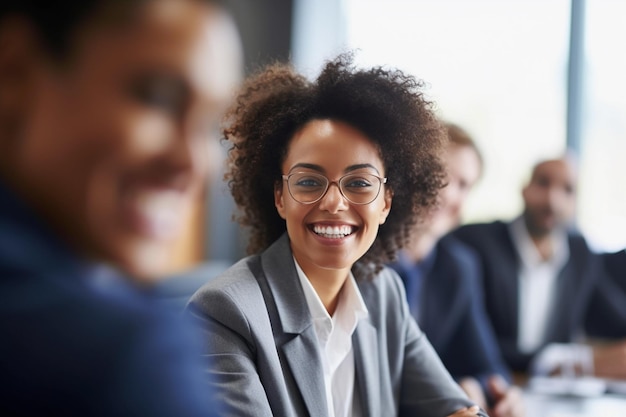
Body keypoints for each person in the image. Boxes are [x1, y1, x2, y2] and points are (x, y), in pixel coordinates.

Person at [185, 55, 488, 416]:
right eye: (309, 181)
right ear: (280, 198)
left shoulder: (383, 294)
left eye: (359, 183)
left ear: (386, 202)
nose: (333, 202)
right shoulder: (225, 313)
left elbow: (456, 409)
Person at [0, 0, 242, 416]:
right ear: (15, 73)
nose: (194, 164)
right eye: (158, 97)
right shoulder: (124, 356)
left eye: (208, 124)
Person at [389, 123, 523, 417]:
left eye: (463, 184)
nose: (447, 194)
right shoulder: (360, 256)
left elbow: (487, 363)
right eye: (440, 175)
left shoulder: (460, 267)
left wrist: (486, 388)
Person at [452, 154, 624, 378]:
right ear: (524, 188)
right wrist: (574, 363)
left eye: (568, 190)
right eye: (543, 183)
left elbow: (615, 318)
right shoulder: (476, 244)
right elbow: (472, 344)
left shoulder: (580, 253)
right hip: (489, 383)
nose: (553, 199)